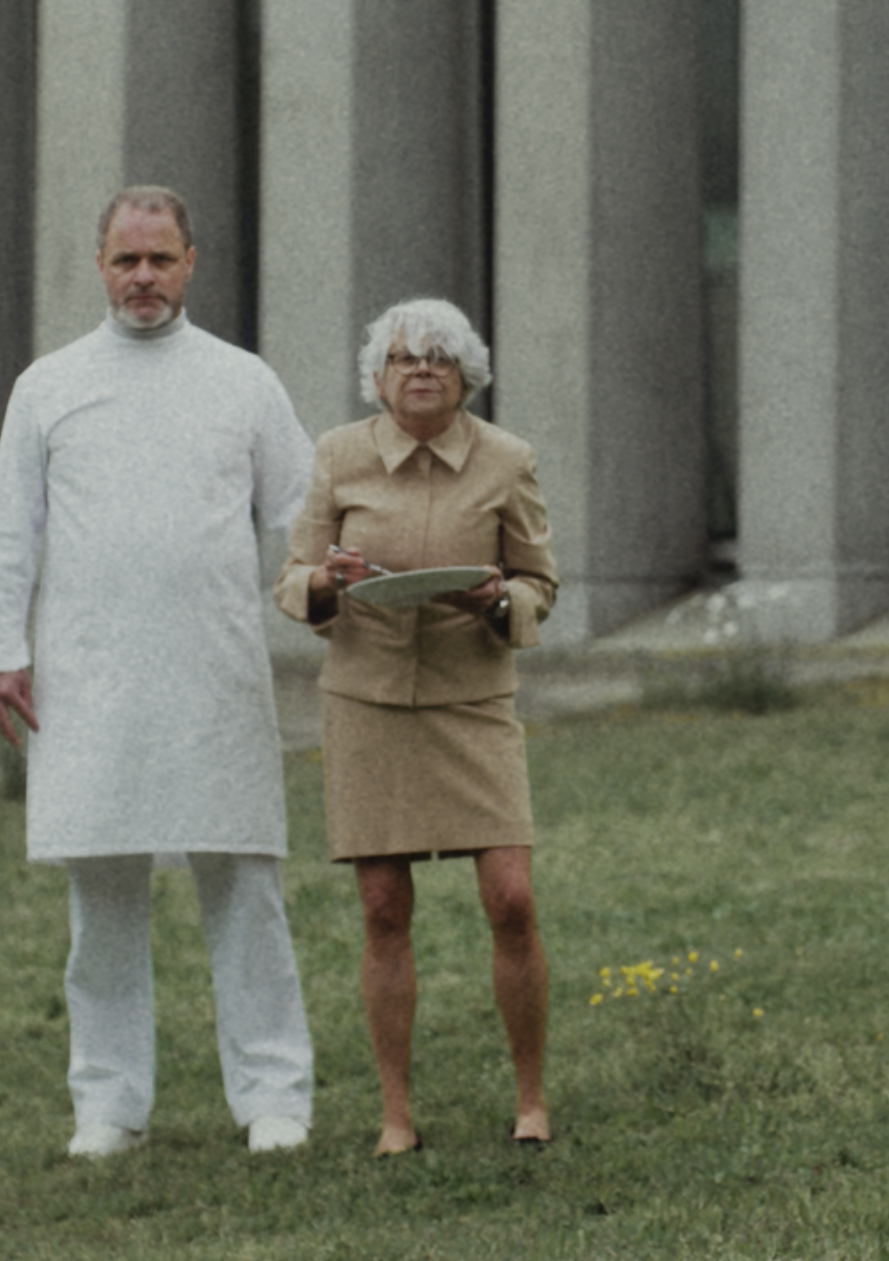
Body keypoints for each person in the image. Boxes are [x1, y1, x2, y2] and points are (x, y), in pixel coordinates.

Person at [0, 185, 318, 1160]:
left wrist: (343, 599)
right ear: (99, 266)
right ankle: (108, 1103)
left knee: (243, 883)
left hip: (215, 672)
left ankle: (273, 1095)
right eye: (126, 260)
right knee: (102, 894)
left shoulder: (243, 382)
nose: (143, 277)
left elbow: (303, 514)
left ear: (190, 262)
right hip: (90, 679)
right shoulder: (48, 386)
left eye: (160, 258)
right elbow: (9, 528)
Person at [273, 298, 561, 1156]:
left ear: (467, 376)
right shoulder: (338, 455)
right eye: (405, 358)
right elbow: (292, 577)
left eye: (440, 358)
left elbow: (540, 582)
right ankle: (395, 1116)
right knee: (383, 906)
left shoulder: (508, 460)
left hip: (473, 700)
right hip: (366, 701)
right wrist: (327, 583)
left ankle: (532, 1102)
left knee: (511, 899)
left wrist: (497, 601)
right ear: (378, 377)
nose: (423, 370)